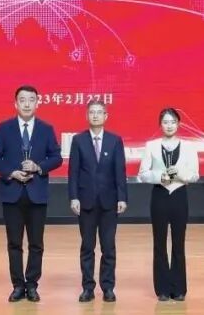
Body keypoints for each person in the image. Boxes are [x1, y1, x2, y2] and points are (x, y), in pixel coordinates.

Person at [0, 85, 63, 302]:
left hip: (37, 193)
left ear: (37, 103)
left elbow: (56, 157)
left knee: (36, 244)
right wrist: (11, 172)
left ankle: (32, 285)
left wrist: (38, 167)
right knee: (14, 243)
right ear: (15, 103)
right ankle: (18, 285)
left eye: (31, 100)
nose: (27, 104)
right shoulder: (5, 128)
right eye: (22, 100)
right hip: (12, 193)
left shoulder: (46, 129)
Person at [68, 99, 128, 303]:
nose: (95, 115)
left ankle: (108, 287)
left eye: (99, 112)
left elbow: (120, 170)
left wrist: (122, 197)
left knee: (108, 247)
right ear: (87, 115)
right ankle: (88, 288)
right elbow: (73, 172)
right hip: (85, 202)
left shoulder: (115, 140)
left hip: (109, 202)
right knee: (87, 247)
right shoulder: (78, 140)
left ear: (106, 116)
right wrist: (73, 197)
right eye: (91, 112)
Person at [137, 107, 199, 302]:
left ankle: (179, 288)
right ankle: (162, 289)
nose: (169, 125)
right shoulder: (151, 146)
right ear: (160, 125)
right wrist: (160, 177)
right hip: (160, 195)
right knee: (159, 243)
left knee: (179, 243)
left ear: (178, 124)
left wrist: (180, 174)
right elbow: (142, 174)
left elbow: (195, 175)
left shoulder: (189, 147)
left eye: (172, 122)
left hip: (179, 195)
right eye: (165, 122)